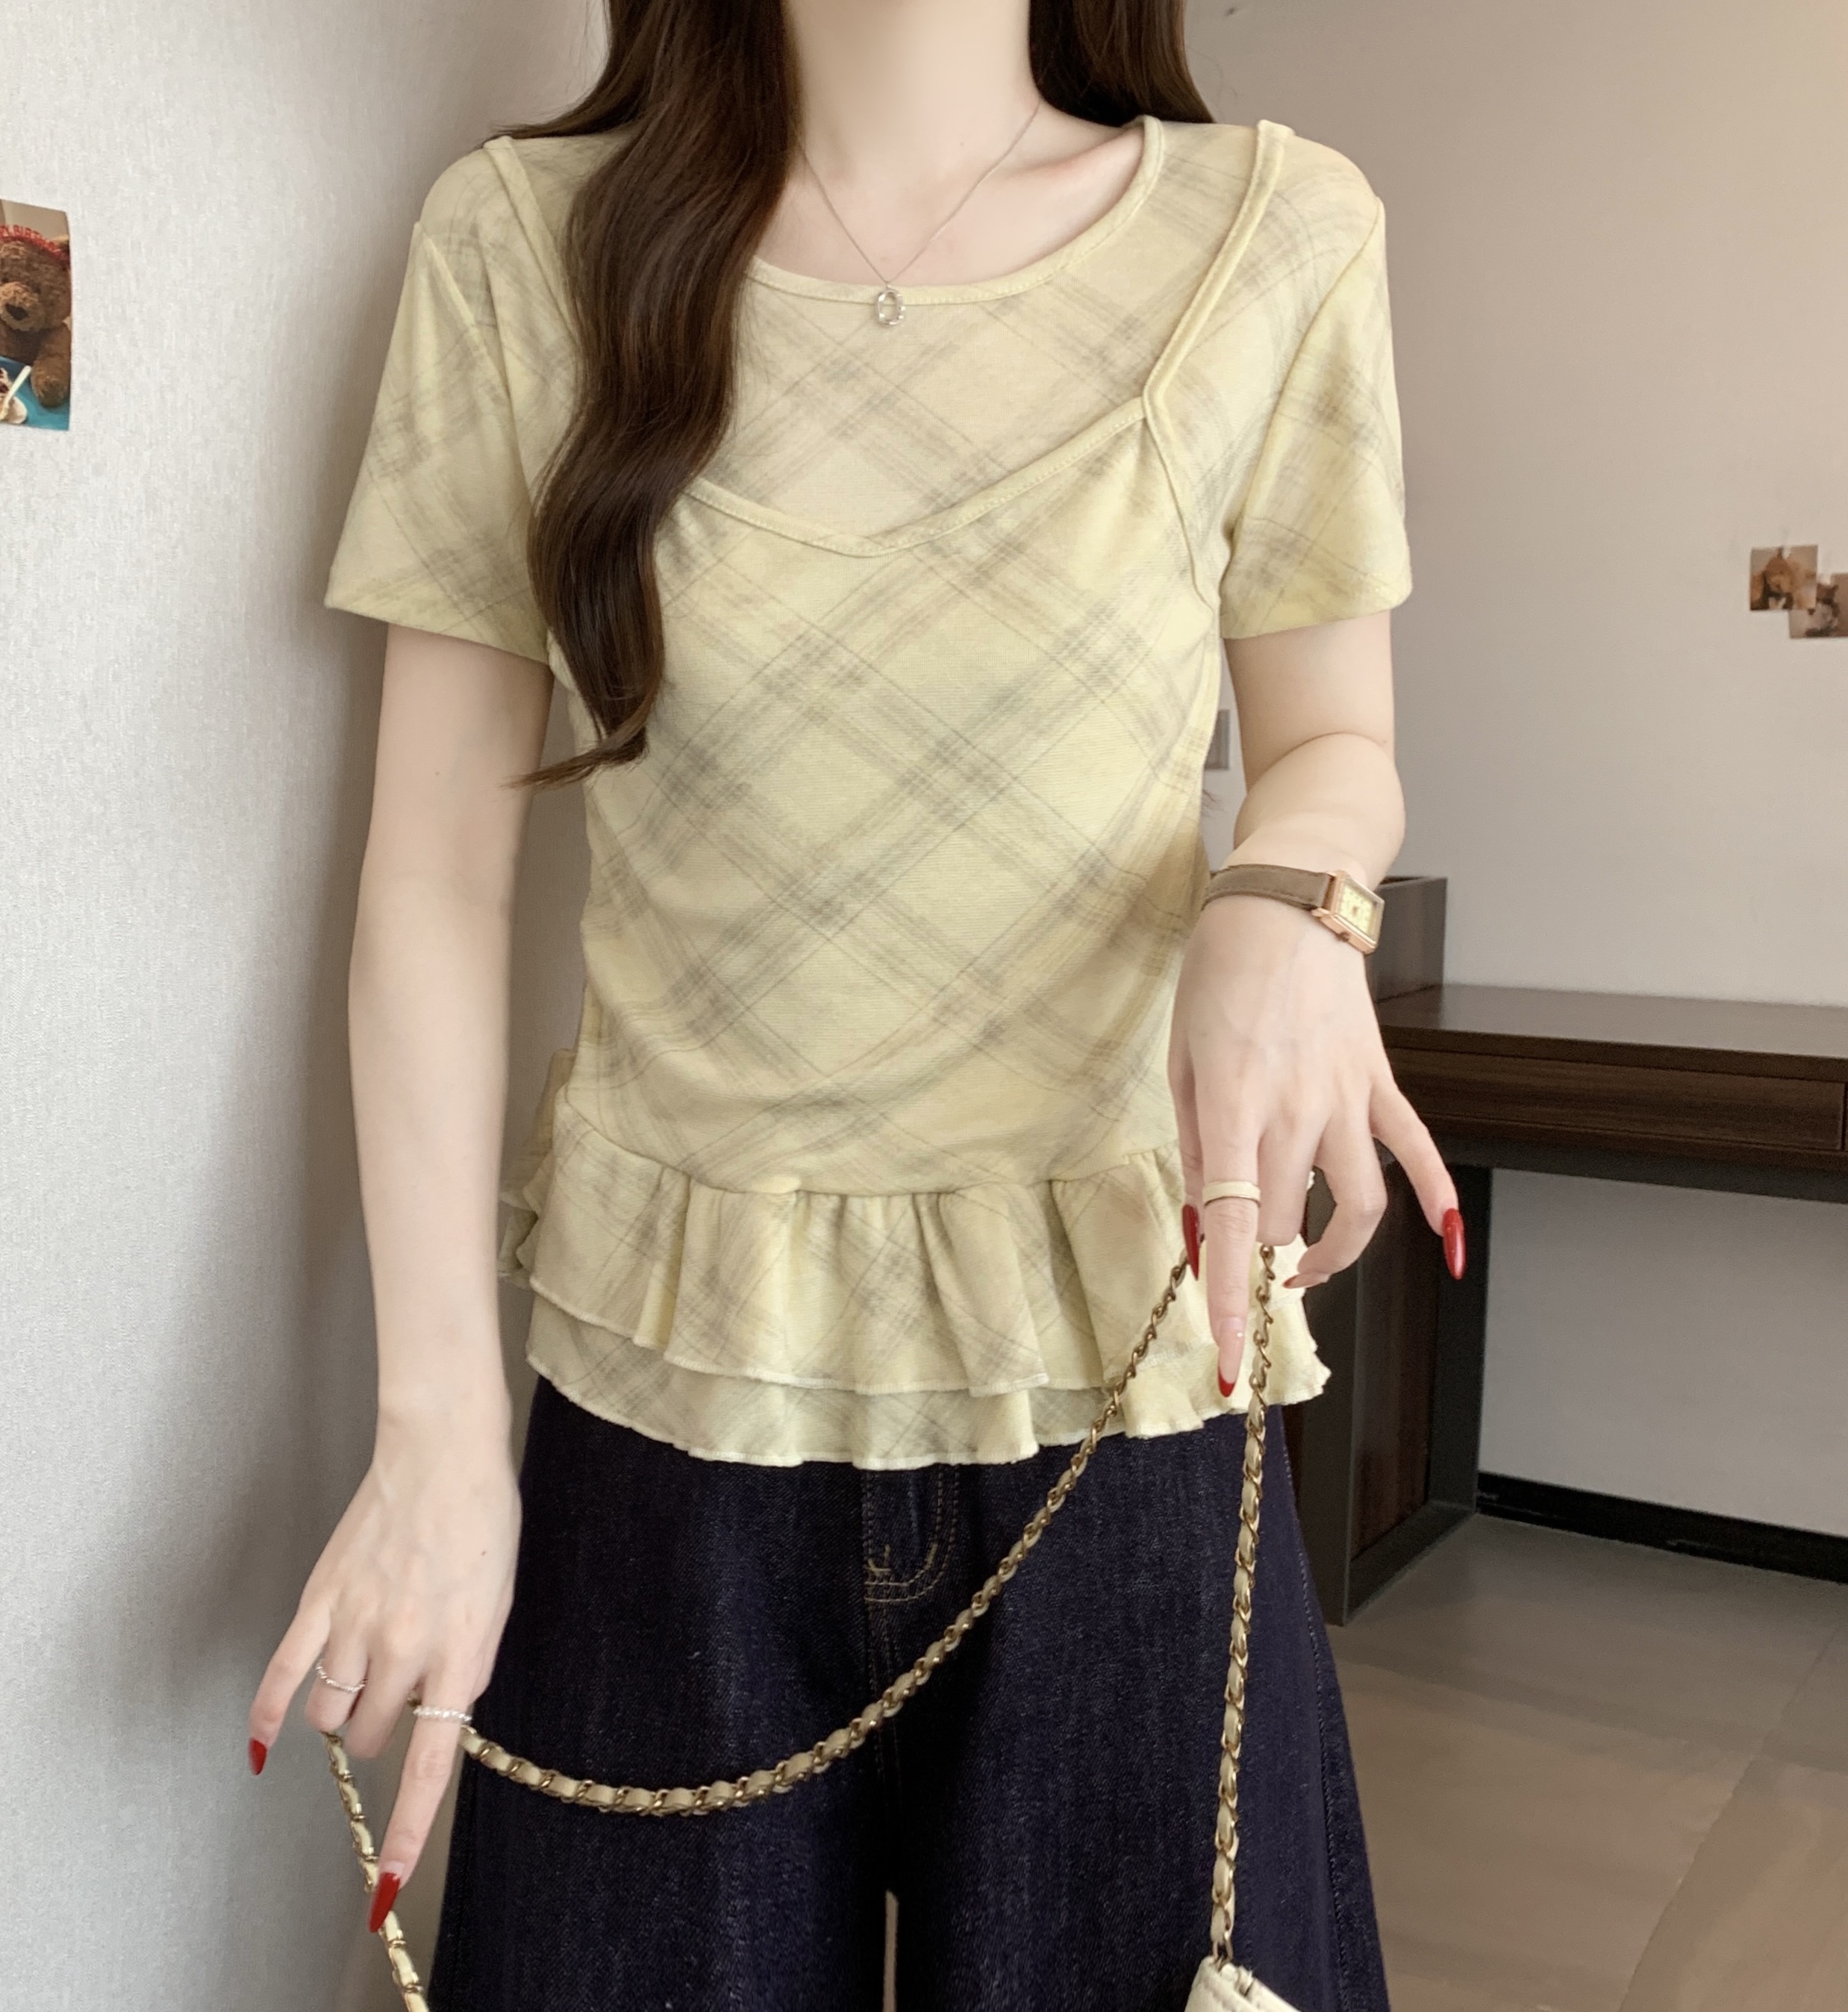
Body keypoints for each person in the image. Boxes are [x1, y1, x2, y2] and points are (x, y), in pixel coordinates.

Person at [249, 1, 1463, 2004]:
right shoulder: (521, 244)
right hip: (664, 1410)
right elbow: (436, 875)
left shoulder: (1277, 232)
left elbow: (1335, 738)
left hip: (1124, 1385)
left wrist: (1291, 897)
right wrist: (438, 1431)